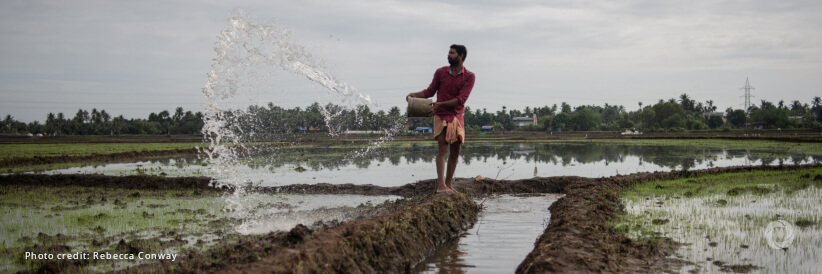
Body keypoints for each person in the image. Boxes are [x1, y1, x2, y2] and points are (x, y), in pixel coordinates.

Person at [407, 44, 475, 194]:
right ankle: (441, 186)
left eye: (452, 53)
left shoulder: (469, 76)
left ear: (461, 56)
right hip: (441, 114)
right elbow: (430, 91)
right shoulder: (441, 72)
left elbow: (461, 99)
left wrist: (439, 104)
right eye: (448, 53)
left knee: (455, 151)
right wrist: (414, 95)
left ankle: (449, 184)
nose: (448, 55)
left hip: (457, 115)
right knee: (442, 148)